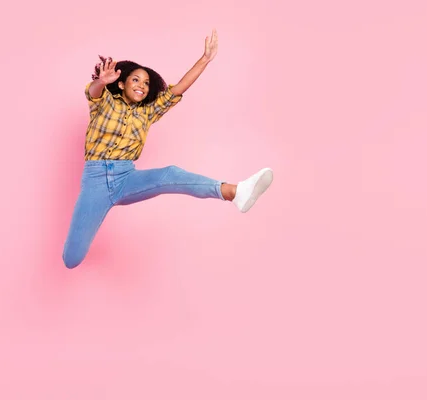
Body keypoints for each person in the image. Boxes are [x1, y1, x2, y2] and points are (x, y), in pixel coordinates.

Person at [62, 29, 273, 269]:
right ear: (120, 83)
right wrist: (101, 81)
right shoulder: (106, 103)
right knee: (72, 258)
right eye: (135, 80)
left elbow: (178, 89)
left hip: (126, 178)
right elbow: (93, 93)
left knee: (170, 174)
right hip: (96, 182)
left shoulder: (147, 112)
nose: (142, 85)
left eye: (146, 82)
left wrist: (204, 59)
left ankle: (234, 192)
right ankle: (73, 252)